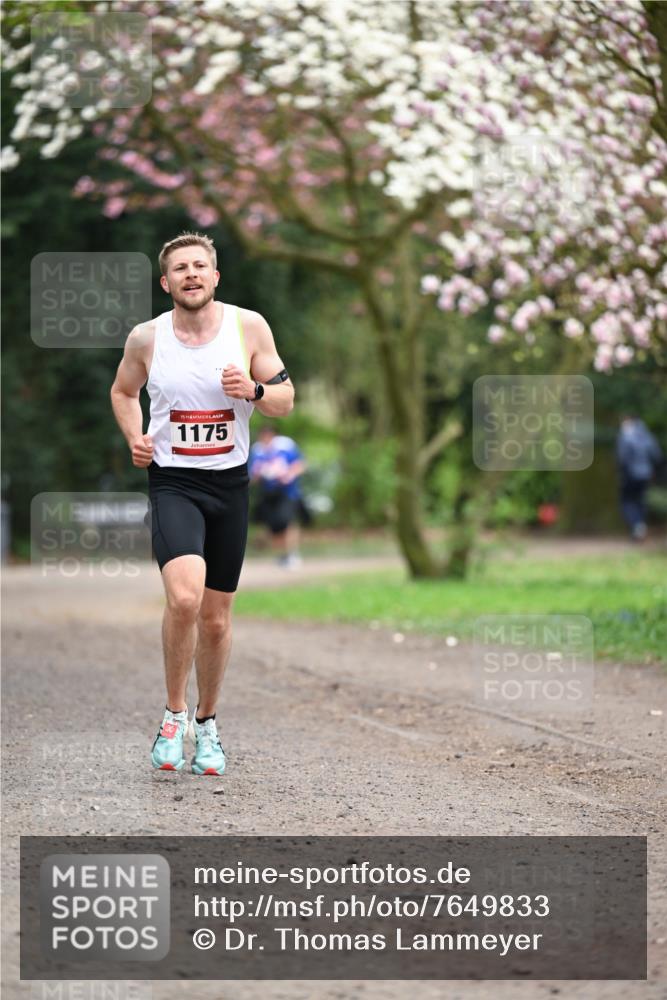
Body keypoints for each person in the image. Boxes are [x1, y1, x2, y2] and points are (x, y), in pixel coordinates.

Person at [110, 232, 294, 774]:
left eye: (200, 266)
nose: (191, 275)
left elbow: (285, 398)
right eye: (180, 269)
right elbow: (122, 391)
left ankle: (208, 726)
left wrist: (254, 392)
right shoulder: (147, 338)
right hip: (174, 483)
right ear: (165, 283)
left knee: (215, 620)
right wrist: (135, 437)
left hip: (230, 485)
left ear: (215, 277)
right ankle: (173, 715)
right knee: (185, 599)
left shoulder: (248, 327)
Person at [249, 426, 307, 568]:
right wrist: (258, 474)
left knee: (287, 521)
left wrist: (288, 475)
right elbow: (251, 476)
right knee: (274, 525)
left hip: (288, 492)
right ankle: (282, 555)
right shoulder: (257, 451)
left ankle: (292, 554)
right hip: (268, 493)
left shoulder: (285, 446)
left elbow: (300, 464)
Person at [615, 415, 663, 541]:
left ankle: (636, 525)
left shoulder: (625, 436)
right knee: (640, 500)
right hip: (646, 475)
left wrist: (622, 472)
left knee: (627, 501)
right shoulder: (647, 436)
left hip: (630, 475)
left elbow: (622, 458)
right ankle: (641, 524)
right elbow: (657, 456)